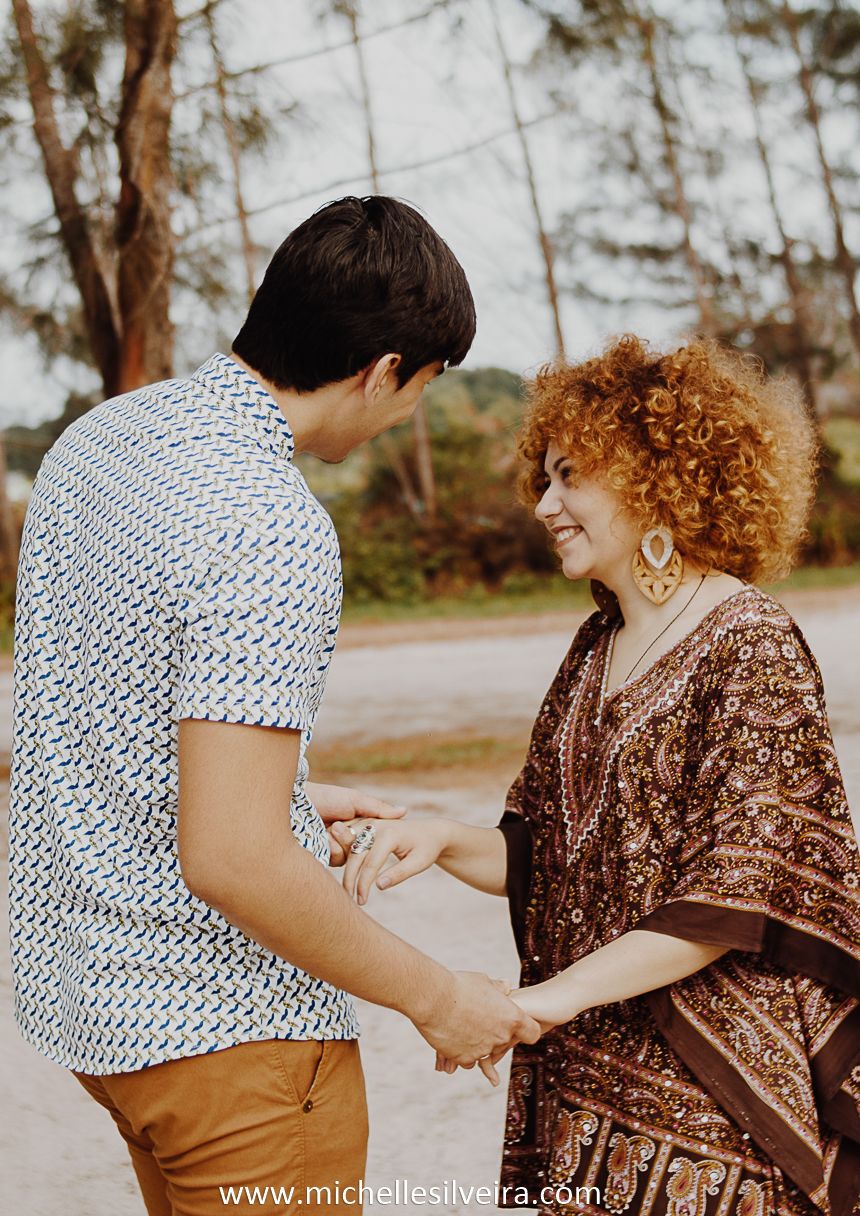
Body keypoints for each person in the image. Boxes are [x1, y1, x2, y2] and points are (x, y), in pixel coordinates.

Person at [9, 195, 539, 1216]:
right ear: (384, 369)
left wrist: (291, 789)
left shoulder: (97, 444)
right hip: (227, 1037)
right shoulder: (269, 523)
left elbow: (93, 716)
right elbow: (234, 859)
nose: (405, 416)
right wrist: (442, 1000)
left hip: (99, 1018)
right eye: (419, 390)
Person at [334, 336, 860, 1216]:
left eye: (570, 475)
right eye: (541, 479)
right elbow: (546, 851)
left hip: (710, 1094)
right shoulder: (596, 646)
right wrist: (437, 836)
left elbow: (734, 900)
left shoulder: (749, 642)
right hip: (584, 1080)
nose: (545, 504)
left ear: (660, 474)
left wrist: (537, 1003)